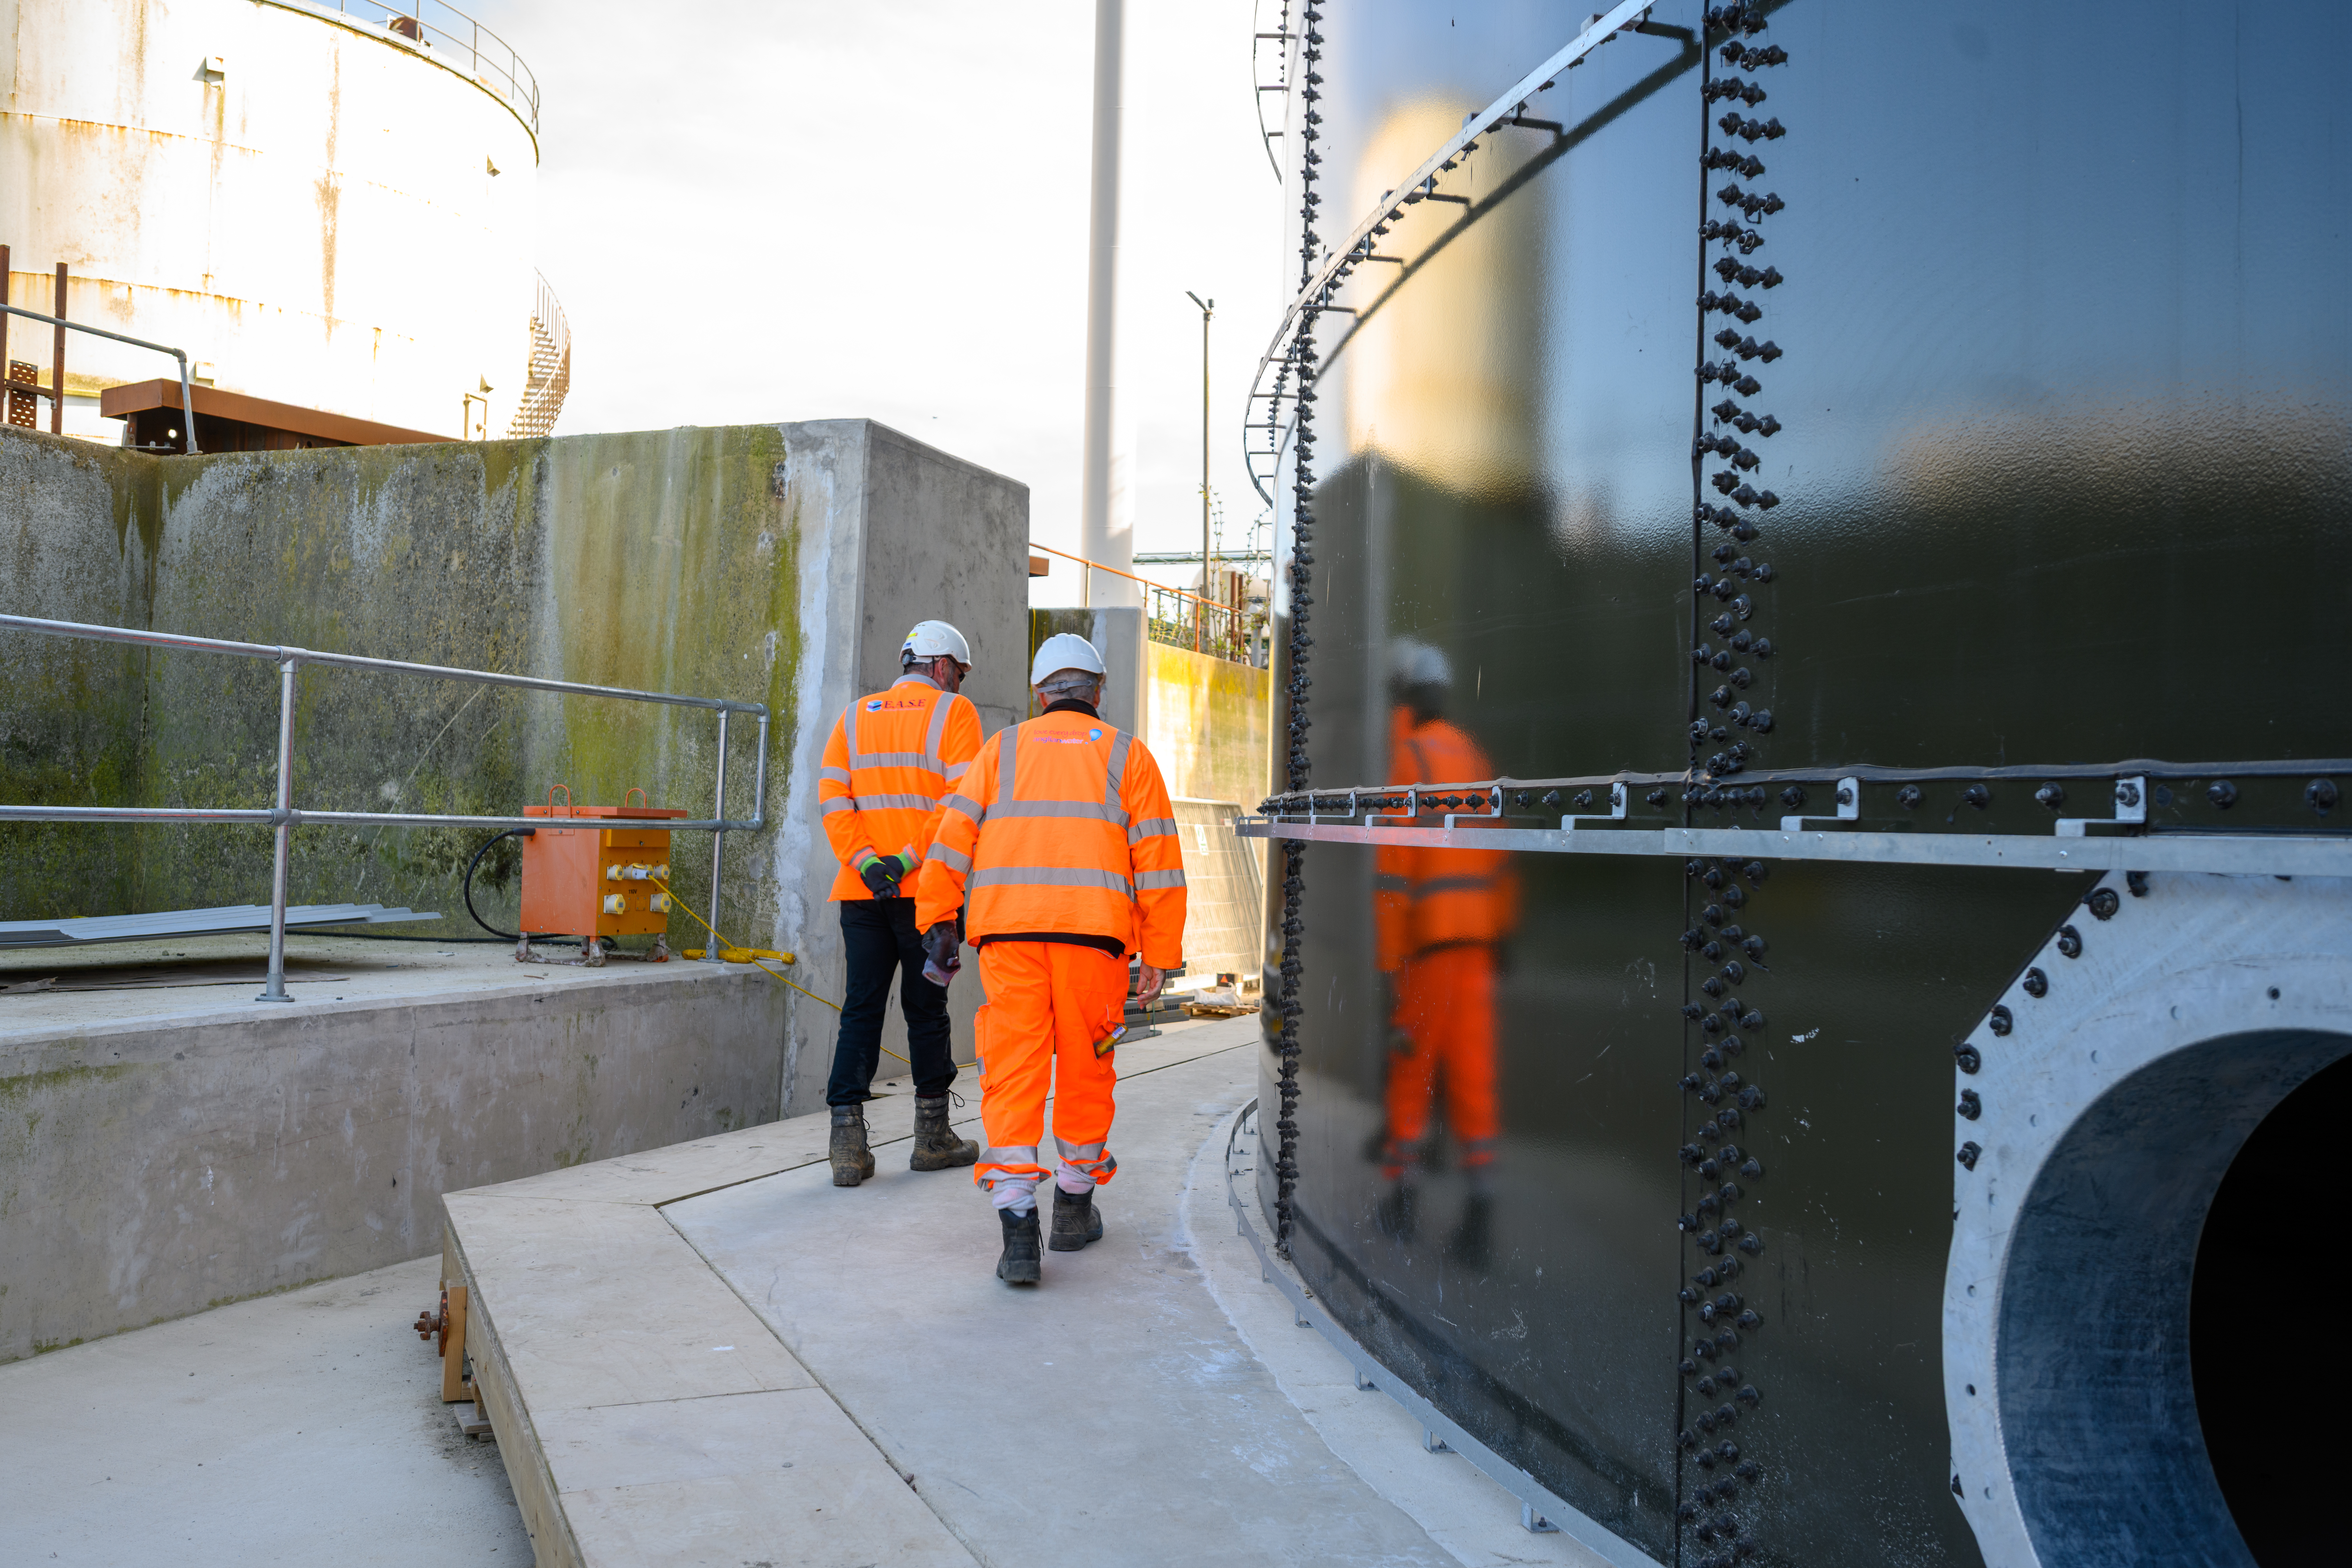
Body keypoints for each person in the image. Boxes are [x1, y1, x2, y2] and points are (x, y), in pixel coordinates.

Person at [913, 632, 1187, 1285]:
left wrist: (937, 919)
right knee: (1087, 1074)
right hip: (1093, 944)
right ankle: (1071, 1208)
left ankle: (1018, 1235)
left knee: (1013, 1074)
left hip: (1008, 943)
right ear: (1097, 692)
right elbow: (1159, 864)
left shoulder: (999, 751)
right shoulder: (1129, 756)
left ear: (1040, 694)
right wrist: (1161, 952)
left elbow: (951, 840)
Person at [814, 620, 985, 1187]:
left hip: (862, 892)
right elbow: (959, 801)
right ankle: (932, 1138)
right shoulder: (954, 715)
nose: (958, 685)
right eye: (958, 675)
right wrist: (908, 859)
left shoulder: (855, 716)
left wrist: (866, 862)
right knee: (927, 1010)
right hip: (925, 893)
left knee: (860, 1009)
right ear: (941, 667)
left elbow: (834, 796)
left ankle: (847, 1148)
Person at [1374, 639, 1517, 1264]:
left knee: (1413, 1068)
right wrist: (1503, 930)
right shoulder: (1472, 754)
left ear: (1404, 695)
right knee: (1474, 1076)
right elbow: (1501, 852)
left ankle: (1401, 1202)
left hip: (1428, 947)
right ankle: (1480, 1212)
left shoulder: (1411, 756)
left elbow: (1394, 871)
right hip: (1479, 944)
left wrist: (1388, 963)